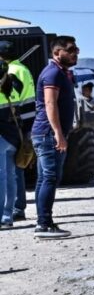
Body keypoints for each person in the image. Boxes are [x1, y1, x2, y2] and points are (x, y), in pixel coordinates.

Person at [30, 35, 80, 238]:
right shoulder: (53, 74)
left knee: (45, 178)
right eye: (70, 49)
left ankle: (44, 222)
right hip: (48, 134)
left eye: (76, 49)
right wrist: (59, 134)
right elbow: (50, 104)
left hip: (46, 133)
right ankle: (43, 225)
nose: (75, 53)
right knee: (50, 177)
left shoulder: (61, 73)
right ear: (57, 52)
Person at [0, 41, 35, 223]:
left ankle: (12, 210)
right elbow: (26, 100)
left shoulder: (11, 72)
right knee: (15, 171)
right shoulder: (23, 70)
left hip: (8, 128)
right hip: (19, 127)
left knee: (8, 173)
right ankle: (14, 209)